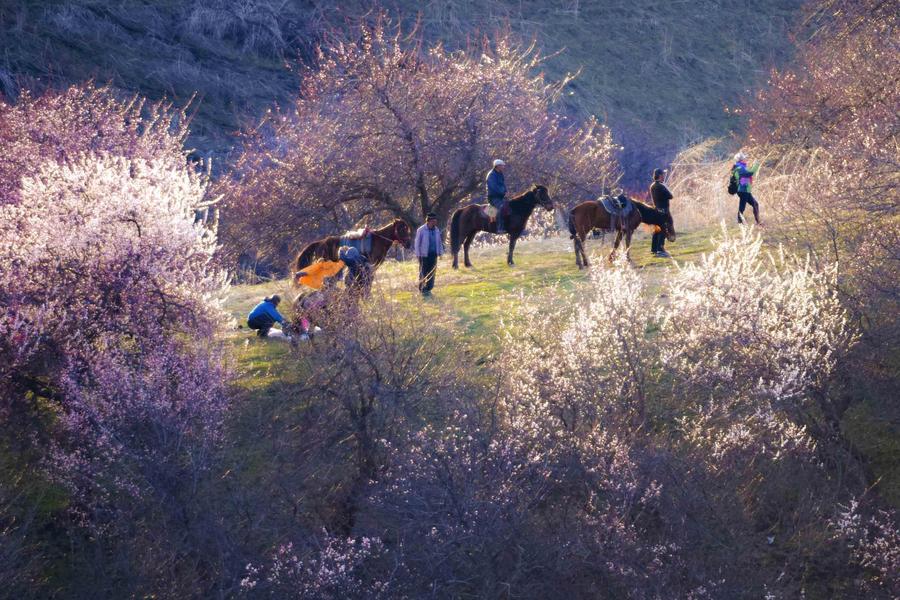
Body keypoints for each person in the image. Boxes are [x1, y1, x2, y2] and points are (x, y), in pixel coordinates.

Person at [414, 212, 444, 297]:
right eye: (434, 220)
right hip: (423, 255)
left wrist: (440, 252)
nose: (436, 222)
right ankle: (422, 289)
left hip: (433, 255)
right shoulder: (421, 230)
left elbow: (439, 242)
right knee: (423, 272)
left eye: (436, 220)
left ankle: (429, 288)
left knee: (432, 272)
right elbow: (417, 243)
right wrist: (417, 254)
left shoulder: (437, 230)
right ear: (429, 221)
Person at [732, 152, 762, 225]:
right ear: (741, 160)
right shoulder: (739, 168)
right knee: (742, 207)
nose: (746, 159)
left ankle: (758, 222)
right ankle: (740, 222)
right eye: (745, 158)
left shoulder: (741, 167)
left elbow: (747, 175)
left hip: (745, 190)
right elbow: (750, 173)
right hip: (743, 190)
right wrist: (756, 164)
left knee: (755, 204)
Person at [649, 168, 673, 258]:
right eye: (662, 174)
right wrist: (666, 187)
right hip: (663, 211)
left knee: (657, 230)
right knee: (663, 230)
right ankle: (660, 250)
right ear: (659, 175)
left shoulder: (652, 185)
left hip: (656, 210)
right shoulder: (661, 186)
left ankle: (654, 249)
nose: (664, 176)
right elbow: (670, 196)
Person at [486, 159, 508, 234]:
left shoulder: (500, 174)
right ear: (497, 166)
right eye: (502, 165)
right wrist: (502, 192)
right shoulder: (491, 175)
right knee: (501, 207)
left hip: (500, 196)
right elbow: (493, 187)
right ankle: (500, 228)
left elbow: (503, 185)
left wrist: (506, 191)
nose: (503, 167)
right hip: (493, 197)